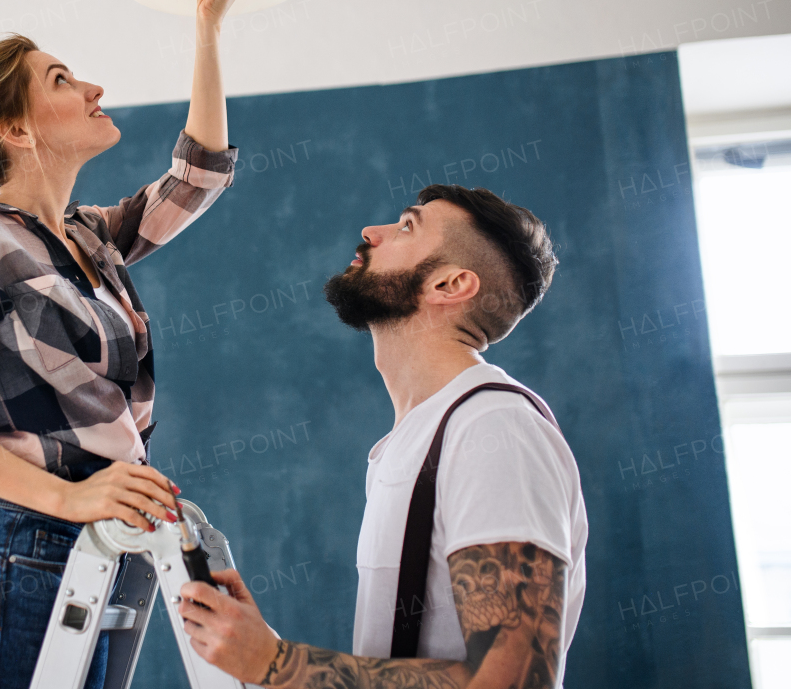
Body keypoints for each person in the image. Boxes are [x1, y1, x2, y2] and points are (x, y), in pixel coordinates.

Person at [0, 0, 247, 688]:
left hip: (99, 548)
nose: (92, 88)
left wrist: (209, 27)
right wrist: (73, 495)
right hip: (10, 550)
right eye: (61, 80)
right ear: (16, 130)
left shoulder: (86, 236)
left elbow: (198, 177)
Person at [176, 185, 588, 689]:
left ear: (450, 283)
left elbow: (516, 681)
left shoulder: (494, 429)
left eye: (407, 226)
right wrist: (257, 648)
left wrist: (278, 664)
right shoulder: (416, 437)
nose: (372, 233)